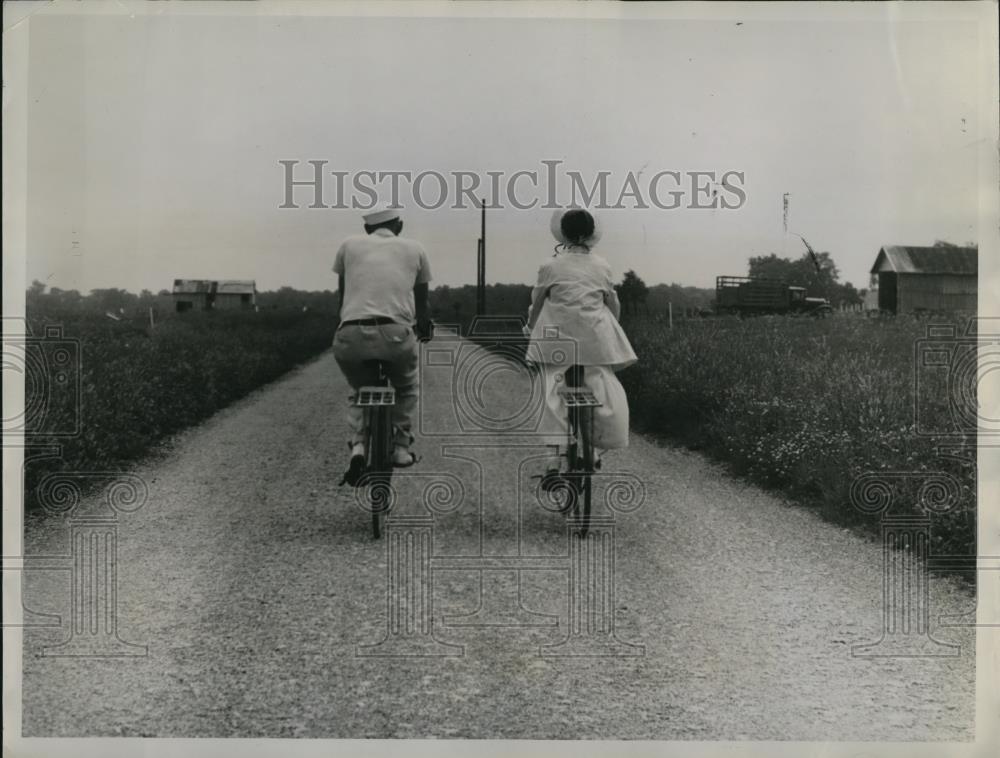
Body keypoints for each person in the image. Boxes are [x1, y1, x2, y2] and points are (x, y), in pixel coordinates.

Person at [525, 208, 637, 486]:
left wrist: (530, 328)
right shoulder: (602, 266)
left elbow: (537, 302)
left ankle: (554, 460)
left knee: (552, 388)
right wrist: (612, 328)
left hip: (557, 341)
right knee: (603, 387)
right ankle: (595, 450)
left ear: (562, 233)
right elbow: (613, 303)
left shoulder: (550, 266)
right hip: (595, 339)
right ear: (591, 234)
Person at [332, 206, 433, 485]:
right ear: (399, 225)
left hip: (351, 334)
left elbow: (342, 298)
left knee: (358, 389)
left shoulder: (348, 245)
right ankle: (400, 447)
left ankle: (359, 447)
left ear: (367, 229)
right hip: (395, 335)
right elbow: (422, 303)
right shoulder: (415, 248)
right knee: (406, 387)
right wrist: (424, 328)